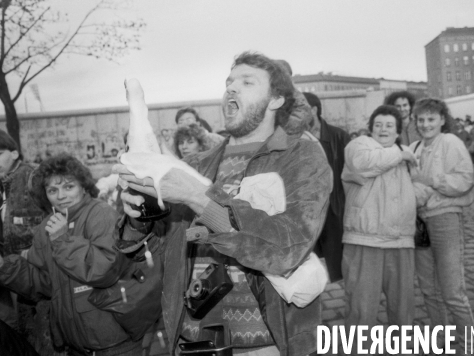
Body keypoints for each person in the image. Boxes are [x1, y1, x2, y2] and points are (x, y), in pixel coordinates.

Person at [114, 51, 332, 356]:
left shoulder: (302, 157)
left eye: (247, 82)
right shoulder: (196, 164)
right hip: (193, 337)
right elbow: (145, 246)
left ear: (276, 100)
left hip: (266, 343)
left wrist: (197, 197)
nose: (231, 88)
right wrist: (137, 214)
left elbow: (290, 247)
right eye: (229, 82)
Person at [0, 153, 142, 355]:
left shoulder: (101, 214)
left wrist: (62, 240)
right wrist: (3, 267)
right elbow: (45, 284)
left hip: (115, 341)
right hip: (75, 343)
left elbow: (104, 271)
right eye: (52, 190)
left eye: (68, 187)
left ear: (83, 186)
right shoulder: (48, 225)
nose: (61, 196)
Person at [341, 105, 417, 347]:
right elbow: (366, 164)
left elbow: (418, 184)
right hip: (365, 240)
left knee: (403, 311)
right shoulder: (359, 146)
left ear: (398, 131)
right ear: (370, 128)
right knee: (361, 310)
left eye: (389, 125)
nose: (383, 129)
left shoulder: (405, 153)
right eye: (379, 125)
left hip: (401, 240)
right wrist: (401, 155)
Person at [410, 98, 474, 354]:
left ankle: (471, 346)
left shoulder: (451, 142)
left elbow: (465, 179)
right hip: (420, 222)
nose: (425, 124)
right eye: (421, 119)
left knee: (452, 290)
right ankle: (442, 339)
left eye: (431, 119)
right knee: (429, 289)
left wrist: (433, 182)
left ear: (442, 119)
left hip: (445, 219)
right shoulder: (414, 148)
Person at [0, 130, 46, 346]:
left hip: (42, 283)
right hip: (13, 281)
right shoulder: (0, 193)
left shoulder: (34, 180)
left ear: (15, 153)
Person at [303, 92, 350, 282]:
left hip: (335, 212)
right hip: (307, 214)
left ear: (314, 110)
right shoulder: (293, 139)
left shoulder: (339, 136)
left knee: (340, 270)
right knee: (307, 268)